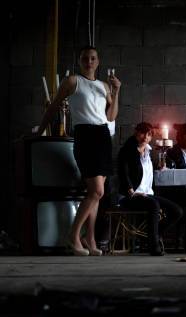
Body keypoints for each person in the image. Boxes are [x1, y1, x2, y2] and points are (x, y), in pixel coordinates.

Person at [38, 46, 121, 256]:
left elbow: (110, 117)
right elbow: (54, 106)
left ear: (98, 61)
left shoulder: (104, 85)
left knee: (96, 194)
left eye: (93, 58)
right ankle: (73, 236)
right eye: (85, 58)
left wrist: (116, 92)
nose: (89, 62)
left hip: (103, 135)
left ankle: (90, 239)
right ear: (80, 60)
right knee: (97, 191)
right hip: (86, 136)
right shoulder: (73, 81)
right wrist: (39, 131)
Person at [117, 122, 183, 256]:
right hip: (130, 196)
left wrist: (158, 167)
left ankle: (154, 234)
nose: (145, 137)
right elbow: (123, 173)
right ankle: (154, 245)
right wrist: (131, 192)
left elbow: (146, 174)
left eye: (148, 135)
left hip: (147, 194)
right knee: (154, 204)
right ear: (136, 132)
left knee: (177, 211)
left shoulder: (148, 151)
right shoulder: (127, 150)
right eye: (142, 133)